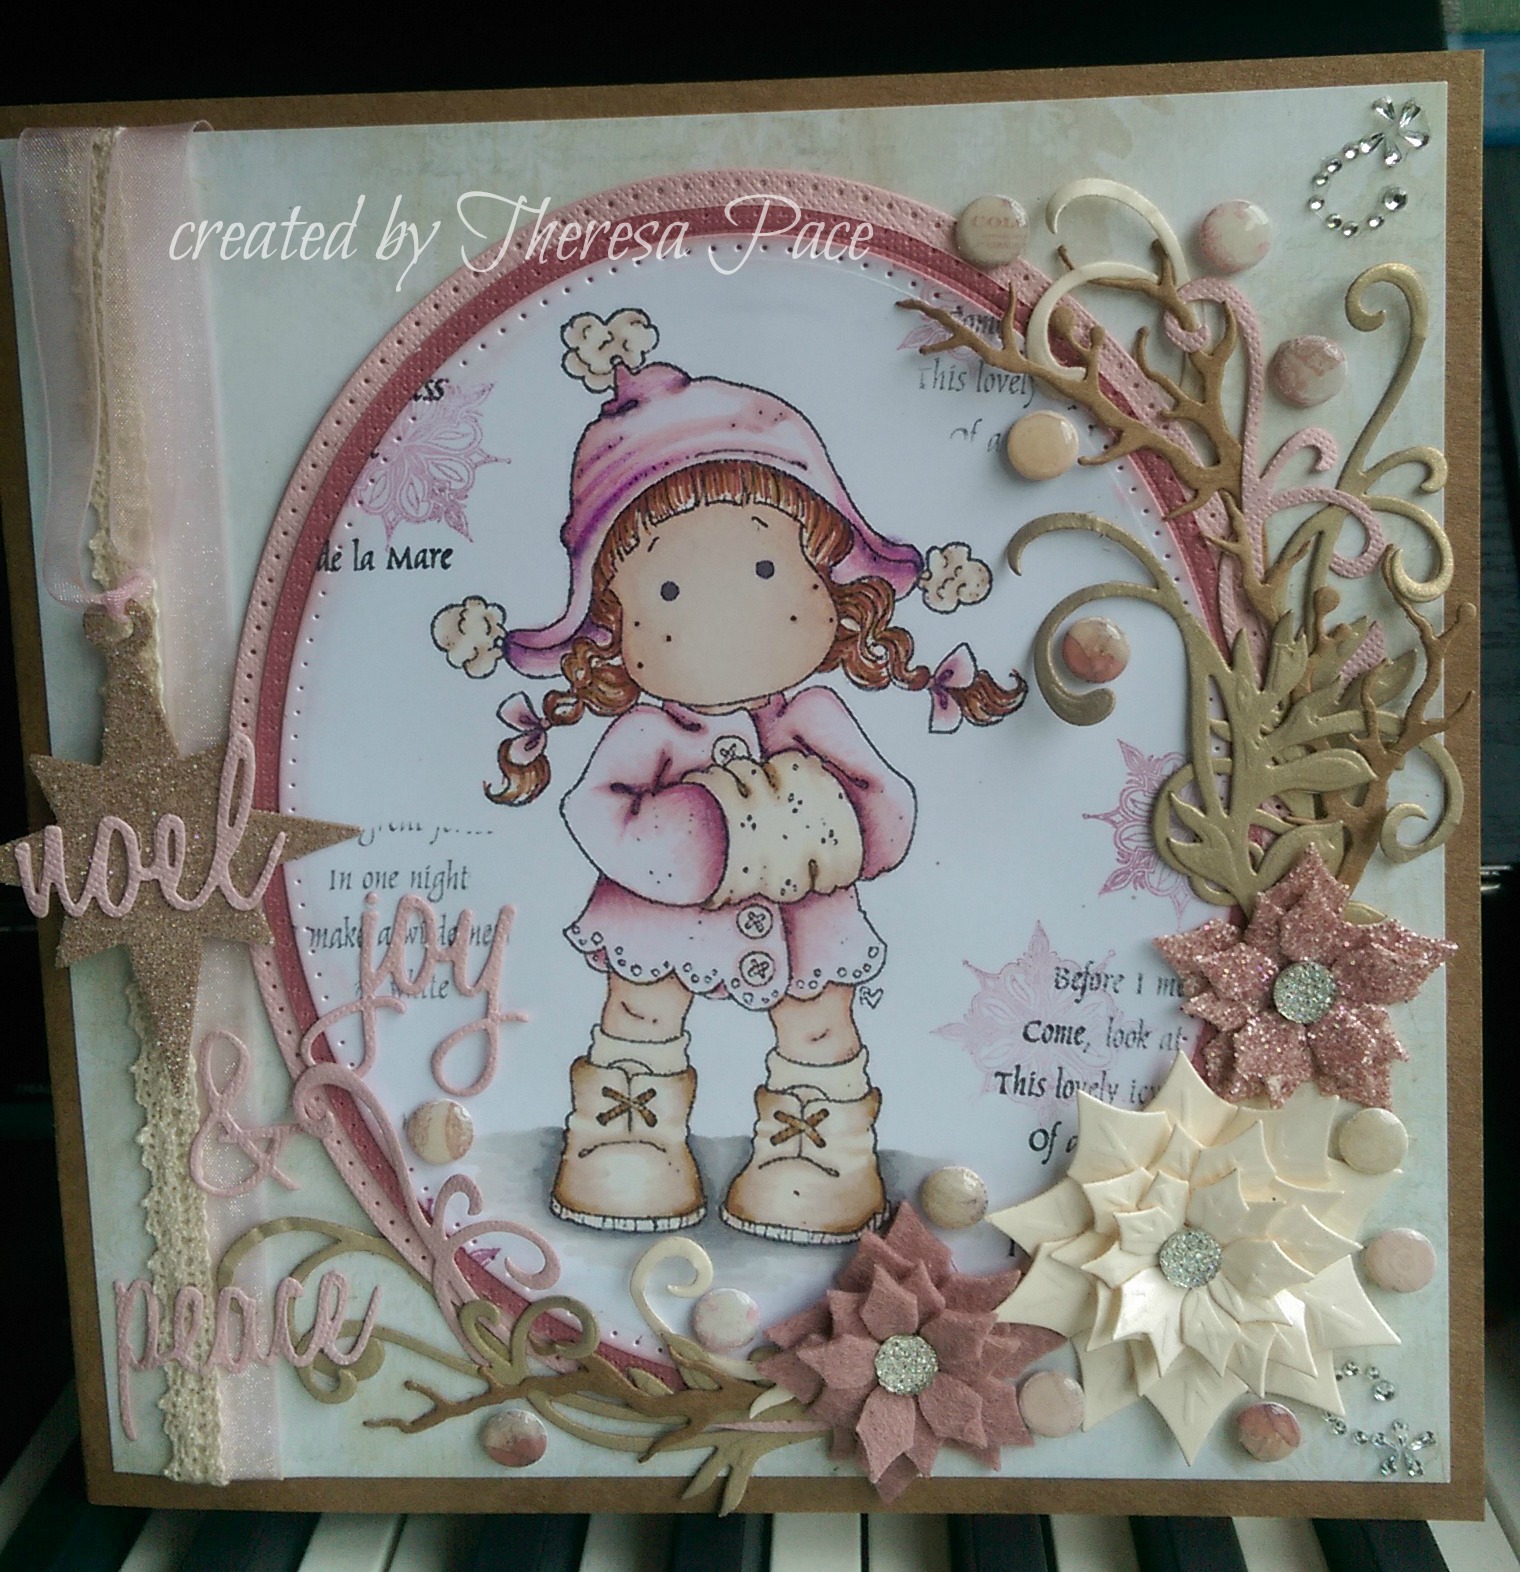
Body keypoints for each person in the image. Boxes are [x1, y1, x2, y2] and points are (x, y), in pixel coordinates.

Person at [479, 336, 1024, 1244]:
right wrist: (696, 839)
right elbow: (596, 810)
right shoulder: (651, 734)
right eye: (669, 588)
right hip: (659, 918)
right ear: (613, 623)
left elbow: (881, 802)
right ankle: (628, 1133)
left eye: (769, 570)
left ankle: (816, 1152)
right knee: (640, 1007)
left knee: (819, 1022)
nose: (723, 613)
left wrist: (843, 823)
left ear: (828, 580)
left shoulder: (812, 716)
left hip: (808, 914)